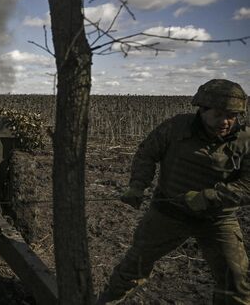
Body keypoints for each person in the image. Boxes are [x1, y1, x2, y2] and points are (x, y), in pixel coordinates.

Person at [98, 79, 250, 304]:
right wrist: (137, 186)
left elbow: (247, 186)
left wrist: (208, 197)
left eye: (232, 115)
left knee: (236, 281)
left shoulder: (244, 141)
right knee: (134, 267)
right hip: (169, 213)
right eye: (219, 114)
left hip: (218, 219)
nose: (226, 121)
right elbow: (147, 153)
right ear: (202, 109)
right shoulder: (177, 128)